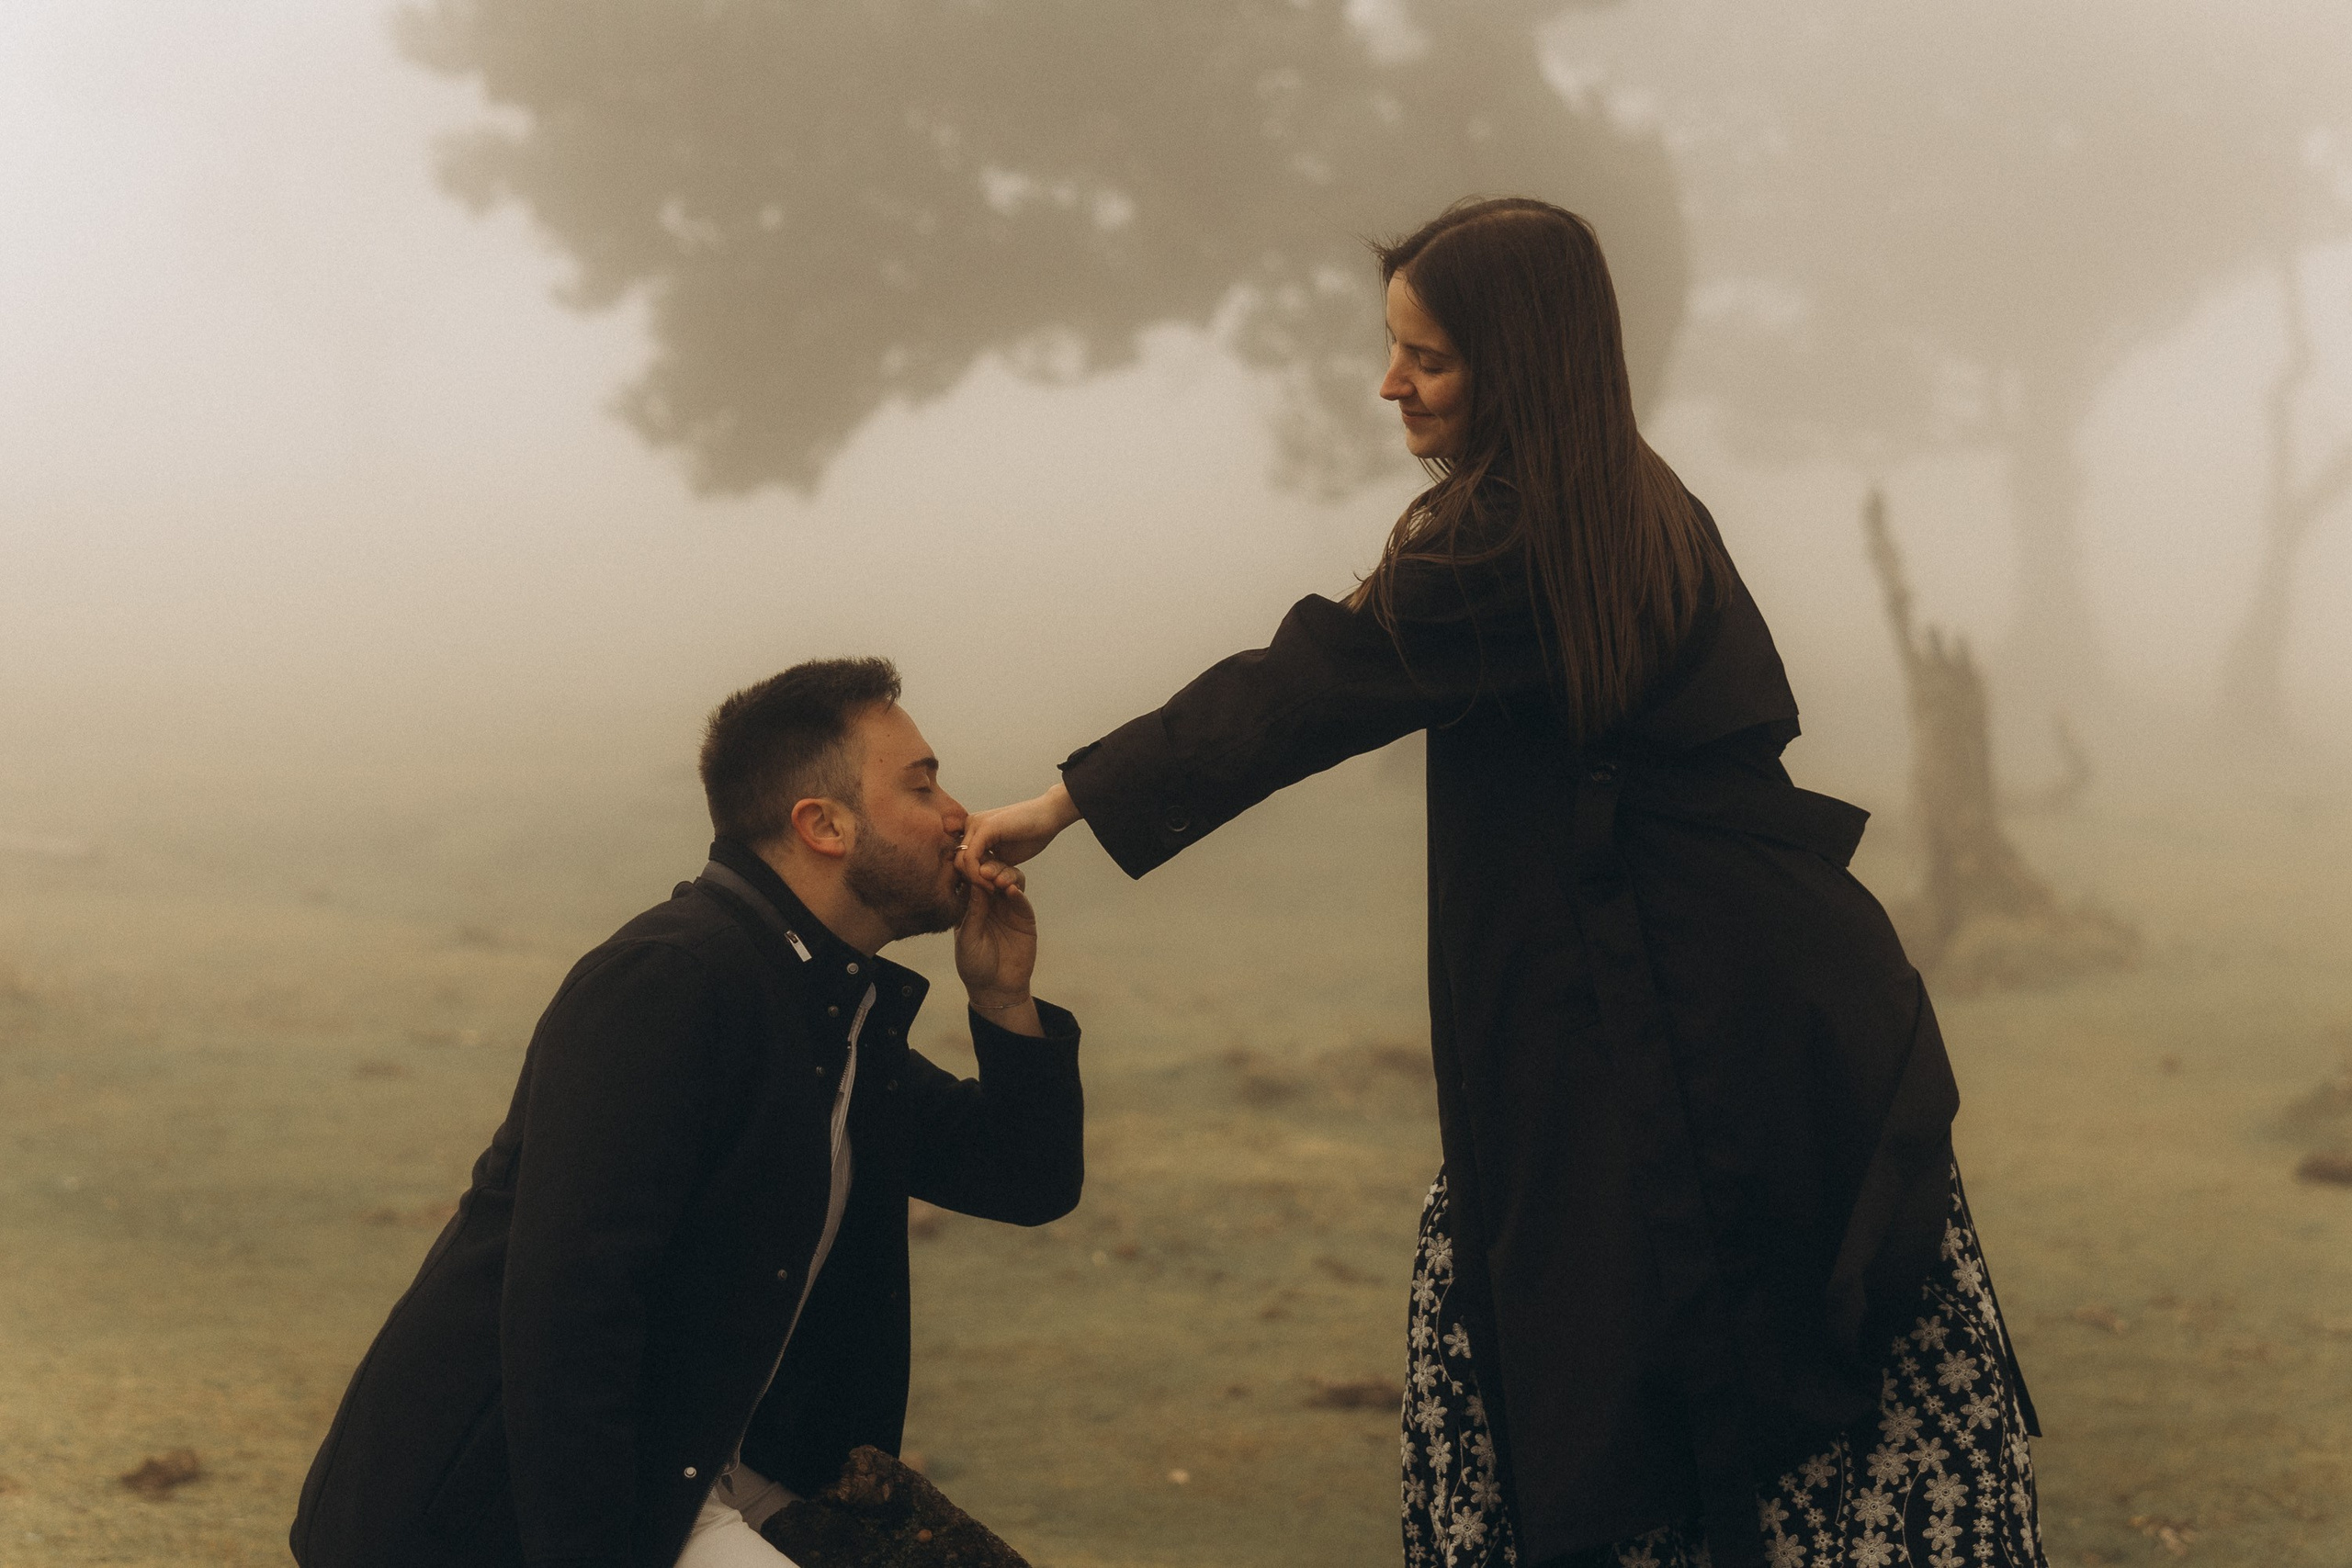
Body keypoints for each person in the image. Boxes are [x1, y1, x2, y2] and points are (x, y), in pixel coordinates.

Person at [958, 198, 2045, 1568]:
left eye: (1431, 357)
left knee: (1616, 1346)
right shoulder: (1600, 507)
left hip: (1681, 1035)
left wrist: (1064, 799)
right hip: (1755, 1015)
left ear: (1522, 361)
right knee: (1708, 1355)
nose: (1390, 383)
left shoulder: (1530, 534)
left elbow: (1307, 689)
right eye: (1395, 347)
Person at [290, 658, 1085, 1568]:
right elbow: (569, 1317)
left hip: (712, 1470)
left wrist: (1001, 1003)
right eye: (921, 785)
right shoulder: (671, 983)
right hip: (518, 1514)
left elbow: (1023, 1179)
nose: (957, 814)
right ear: (823, 825)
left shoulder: (827, 1008)